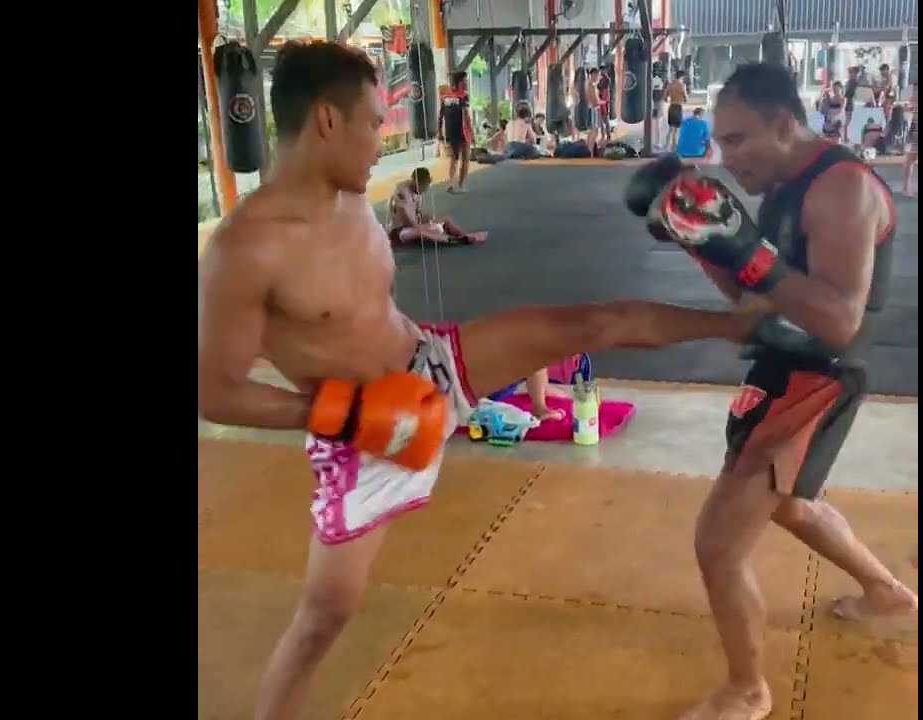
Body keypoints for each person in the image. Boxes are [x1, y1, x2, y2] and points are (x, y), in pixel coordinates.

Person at [196, 41, 789, 720]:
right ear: (328, 121)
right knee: (323, 619)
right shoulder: (248, 248)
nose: (383, 140)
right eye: (374, 123)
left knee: (591, 322)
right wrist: (343, 412)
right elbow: (216, 392)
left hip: (432, 364)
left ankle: (738, 326)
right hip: (361, 436)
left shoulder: (351, 198)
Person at [625, 62, 918, 720]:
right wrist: (703, 243)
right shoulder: (783, 184)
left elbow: (839, 321)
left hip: (819, 374)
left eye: (737, 140)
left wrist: (743, 247)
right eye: (720, 142)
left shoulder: (840, 188)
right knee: (791, 505)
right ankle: (888, 593)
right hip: (787, 361)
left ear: (784, 124)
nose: (727, 158)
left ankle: (748, 690)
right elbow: (756, 297)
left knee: (718, 543)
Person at [386, 167, 486, 245]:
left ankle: (463, 235)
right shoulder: (401, 191)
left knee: (444, 220)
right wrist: (423, 226)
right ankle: (455, 240)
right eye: (422, 187)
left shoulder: (416, 191)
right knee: (426, 231)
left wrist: (427, 219)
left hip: (413, 225)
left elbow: (416, 214)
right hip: (399, 231)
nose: (423, 190)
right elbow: (404, 220)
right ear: (414, 181)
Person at [438, 70, 473, 193]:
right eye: (465, 80)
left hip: (450, 130)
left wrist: (440, 132)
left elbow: (440, 115)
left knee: (454, 157)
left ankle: (450, 183)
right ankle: (461, 185)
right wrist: (472, 133)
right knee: (465, 158)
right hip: (462, 130)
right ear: (460, 82)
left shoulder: (445, 97)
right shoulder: (463, 96)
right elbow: (466, 116)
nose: (466, 82)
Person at [664, 69, 689, 151]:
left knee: (670, 129)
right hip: (678, 107)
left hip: (671, 106)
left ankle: (667, 146)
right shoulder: (682, 85)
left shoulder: (670, 85)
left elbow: (665, 98)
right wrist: (684, 99)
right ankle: (673, 148)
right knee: (676, 130)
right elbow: (685, 98)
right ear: (682, 77)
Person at [902, 82, 917, 196]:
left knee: (911, 158)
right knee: (911, 157)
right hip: (916, 126)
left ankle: (906, 188)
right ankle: (906, 188)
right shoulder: (914, 88)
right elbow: (908, 106)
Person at [584, 67, 604, 151]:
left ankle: (588, 150)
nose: (598, 78)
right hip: (593, 109)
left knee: (591, 131)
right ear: (593, 75)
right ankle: (590, 150)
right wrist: (603, 102)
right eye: (597, 75)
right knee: (594, 131)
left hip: (591, 109)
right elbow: (594, 101)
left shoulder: (589, 85)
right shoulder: (591, 86)